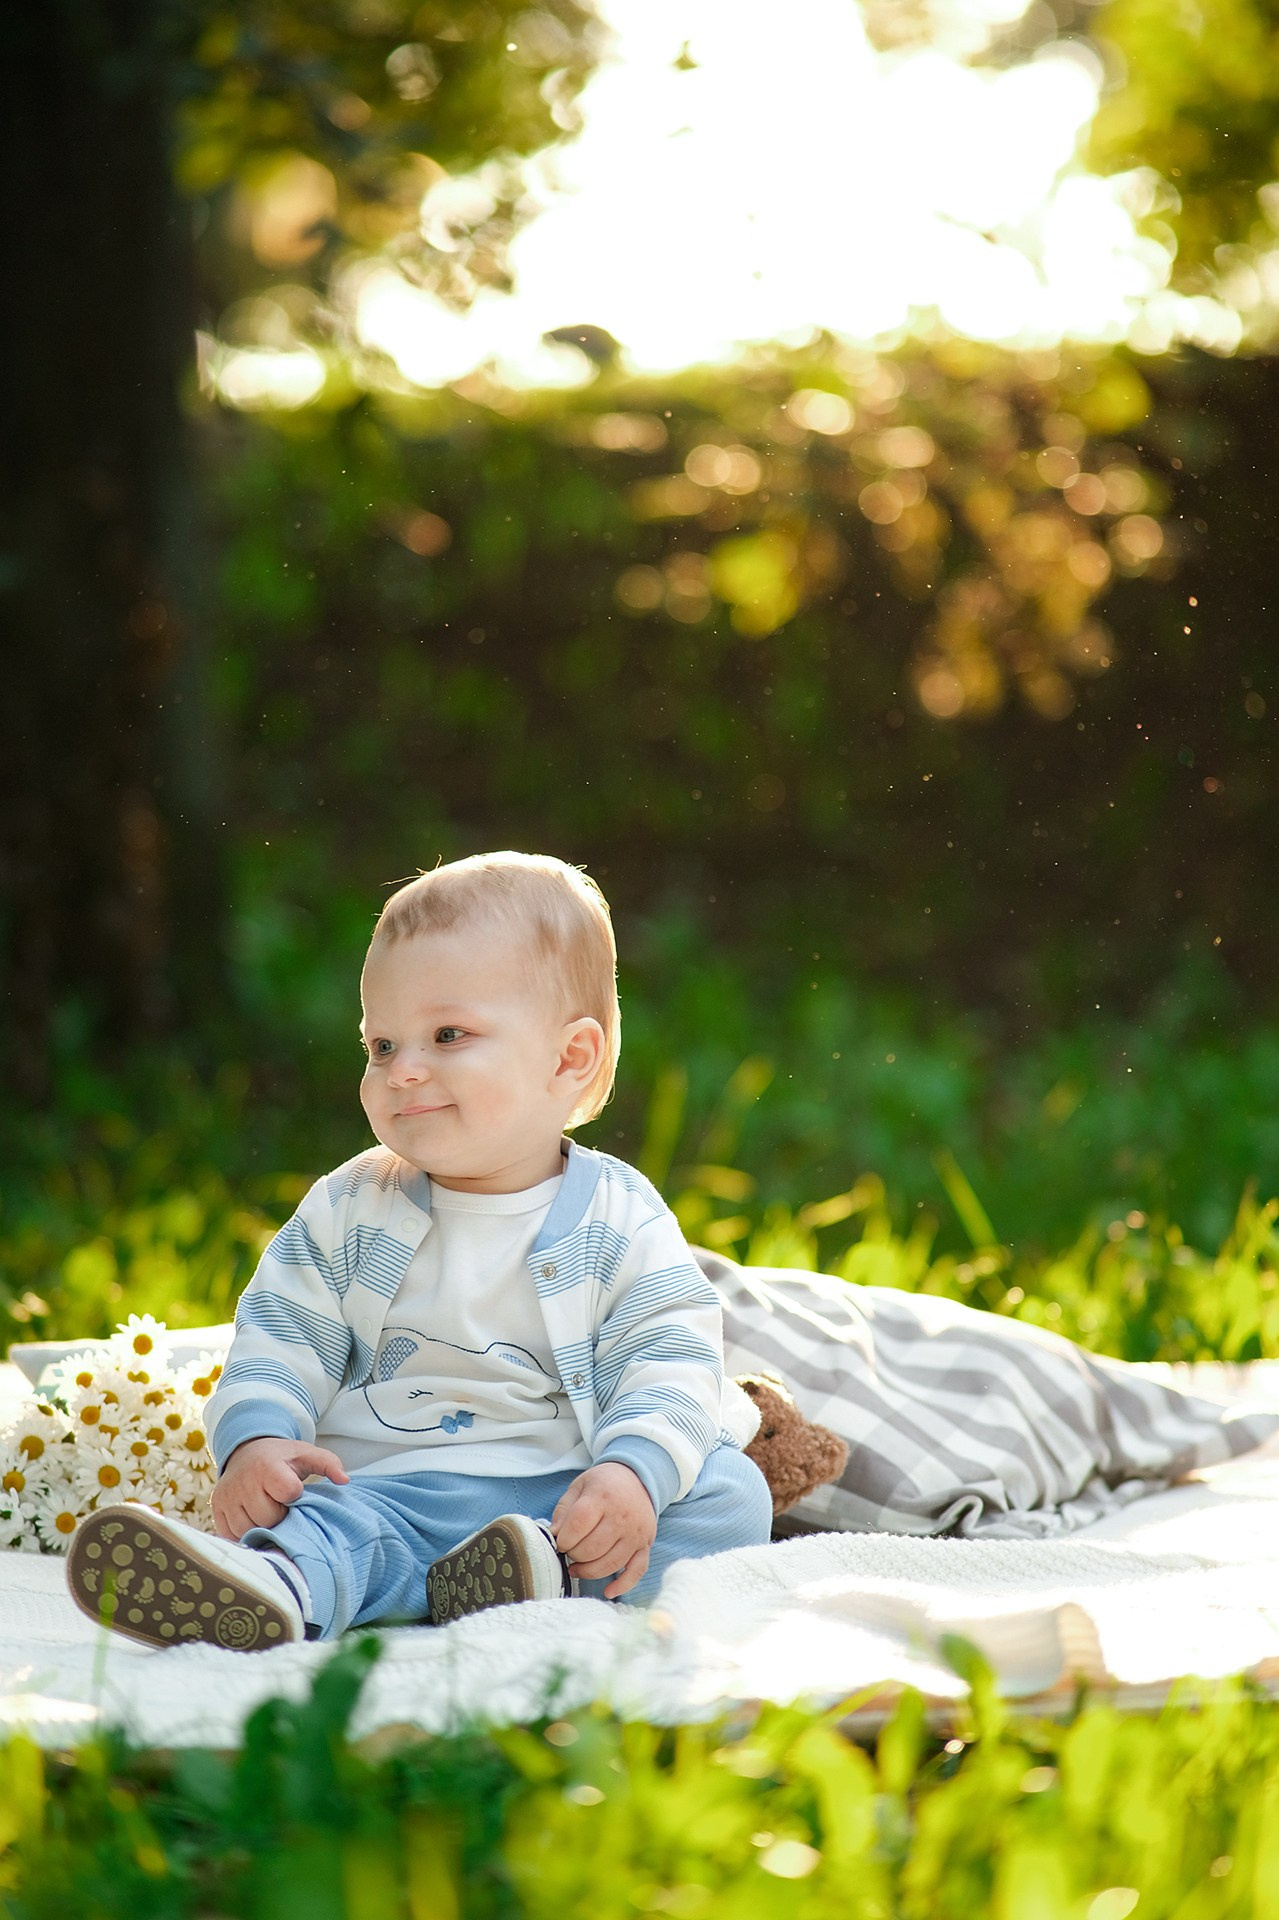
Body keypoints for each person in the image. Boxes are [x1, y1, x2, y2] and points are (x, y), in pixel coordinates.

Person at [66, 851, 772, 1651]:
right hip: (391, 1489)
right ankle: (274, 1587)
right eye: (380, 1046)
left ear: (568, 1058)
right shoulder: (350, 1206)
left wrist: (632, 1474)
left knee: (727, 1496)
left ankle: (549, 1573)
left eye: (446, 1034)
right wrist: (257, 1441)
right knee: (329, 1525)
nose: (403, 1071)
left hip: (564, 1488)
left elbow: (669, 1356)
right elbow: (277, 1333)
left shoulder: (619, 1218)